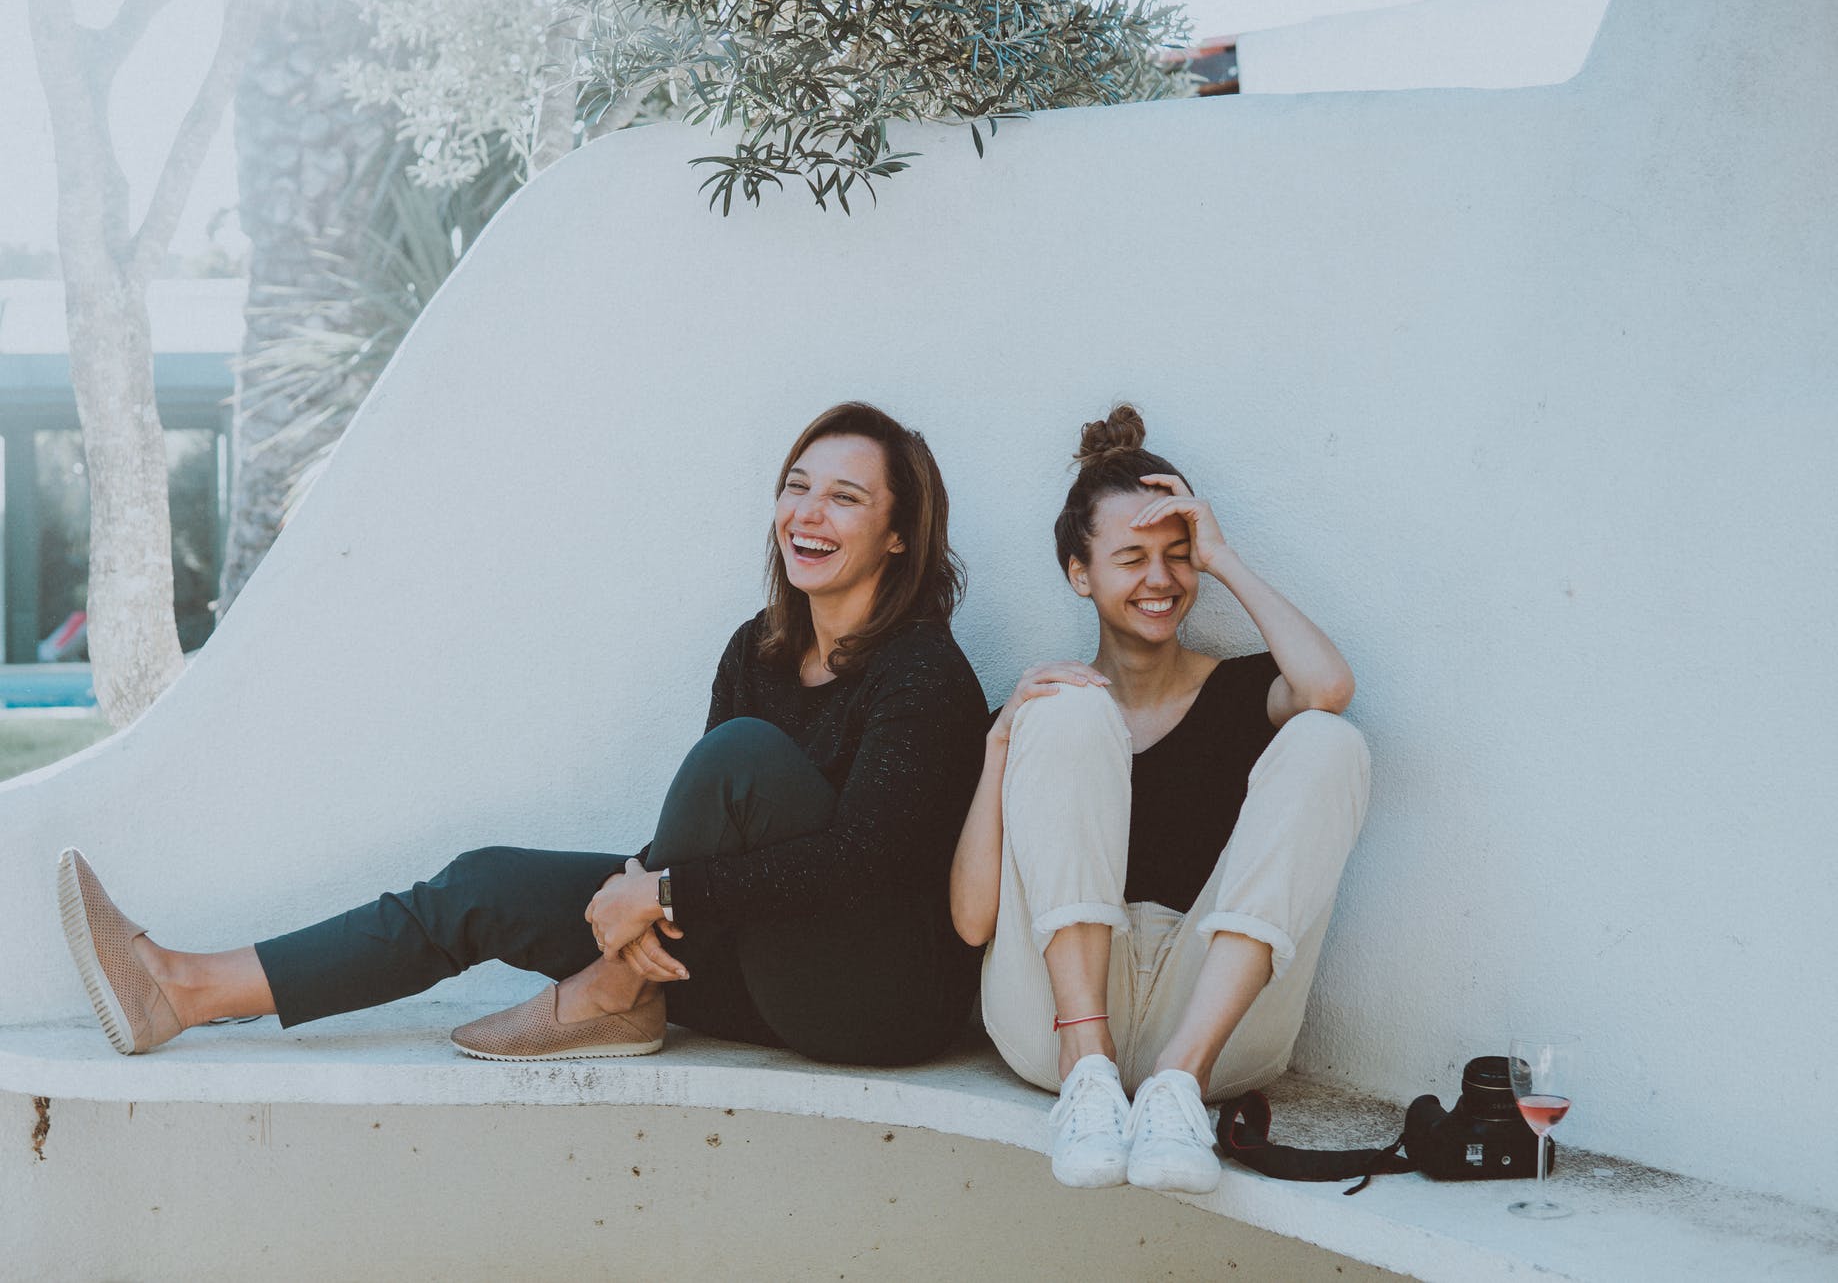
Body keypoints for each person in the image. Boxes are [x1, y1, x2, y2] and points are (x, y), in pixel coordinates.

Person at [60, 402, 988, 1068]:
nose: (808, 514)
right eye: (797, 486)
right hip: (755, 963)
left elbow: (862, 863)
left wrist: (658, 887)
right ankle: (181, 988)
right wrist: (643, 890)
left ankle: (616, 995)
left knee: (736, 757)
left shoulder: (921, 671)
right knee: (481, 883)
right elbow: (709, 837)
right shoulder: (761, 648)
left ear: (899, 536)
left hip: (873, 1002)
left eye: (846, 499)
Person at [949, 404, 1371, 1194]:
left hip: (1211, 1022)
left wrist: (1225, 559)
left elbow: (1329, 687)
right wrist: (1000, 741)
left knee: (1328, 738)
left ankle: (1176, 1082)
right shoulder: (1043, 715)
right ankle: (1089, 1067)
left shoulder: (1242, 691)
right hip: (1054, 1021)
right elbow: (972, 921)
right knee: (1066, 707)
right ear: (1081, 574)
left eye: (1177, 557)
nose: (1160, 579)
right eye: (1132, 556)